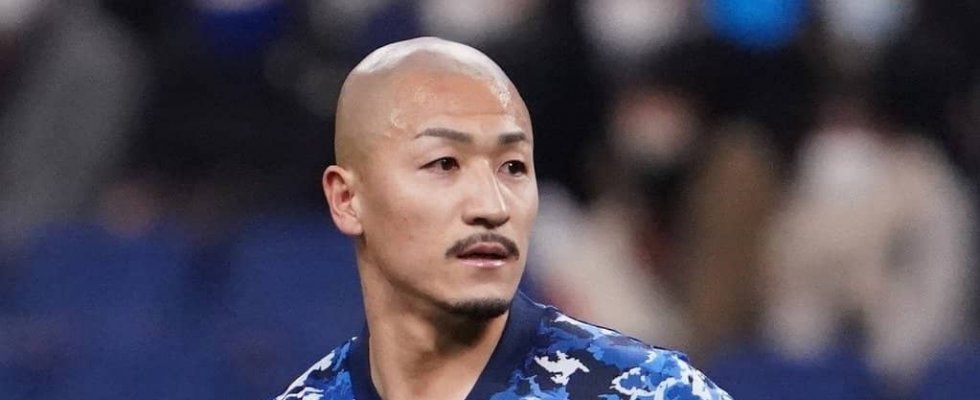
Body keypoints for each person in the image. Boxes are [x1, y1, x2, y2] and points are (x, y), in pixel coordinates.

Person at [273, 37, 731, 400]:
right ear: (347, 199)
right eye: (444, 163)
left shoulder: (647, 391)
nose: (492, 207)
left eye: (513, 167)